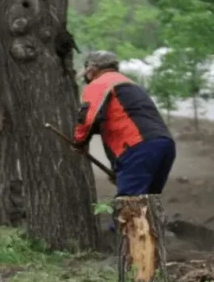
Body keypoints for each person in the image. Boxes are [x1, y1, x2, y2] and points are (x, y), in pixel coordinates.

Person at [74, 50, 176, 196]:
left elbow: (87, 117)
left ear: (92, 69)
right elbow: (114, 120)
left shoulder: (100, 83)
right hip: (165, 145)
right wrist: (119, 169)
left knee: (130, 206)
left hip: (138, 147)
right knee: (149, 202)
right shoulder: (129, 84)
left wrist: (79, 141)